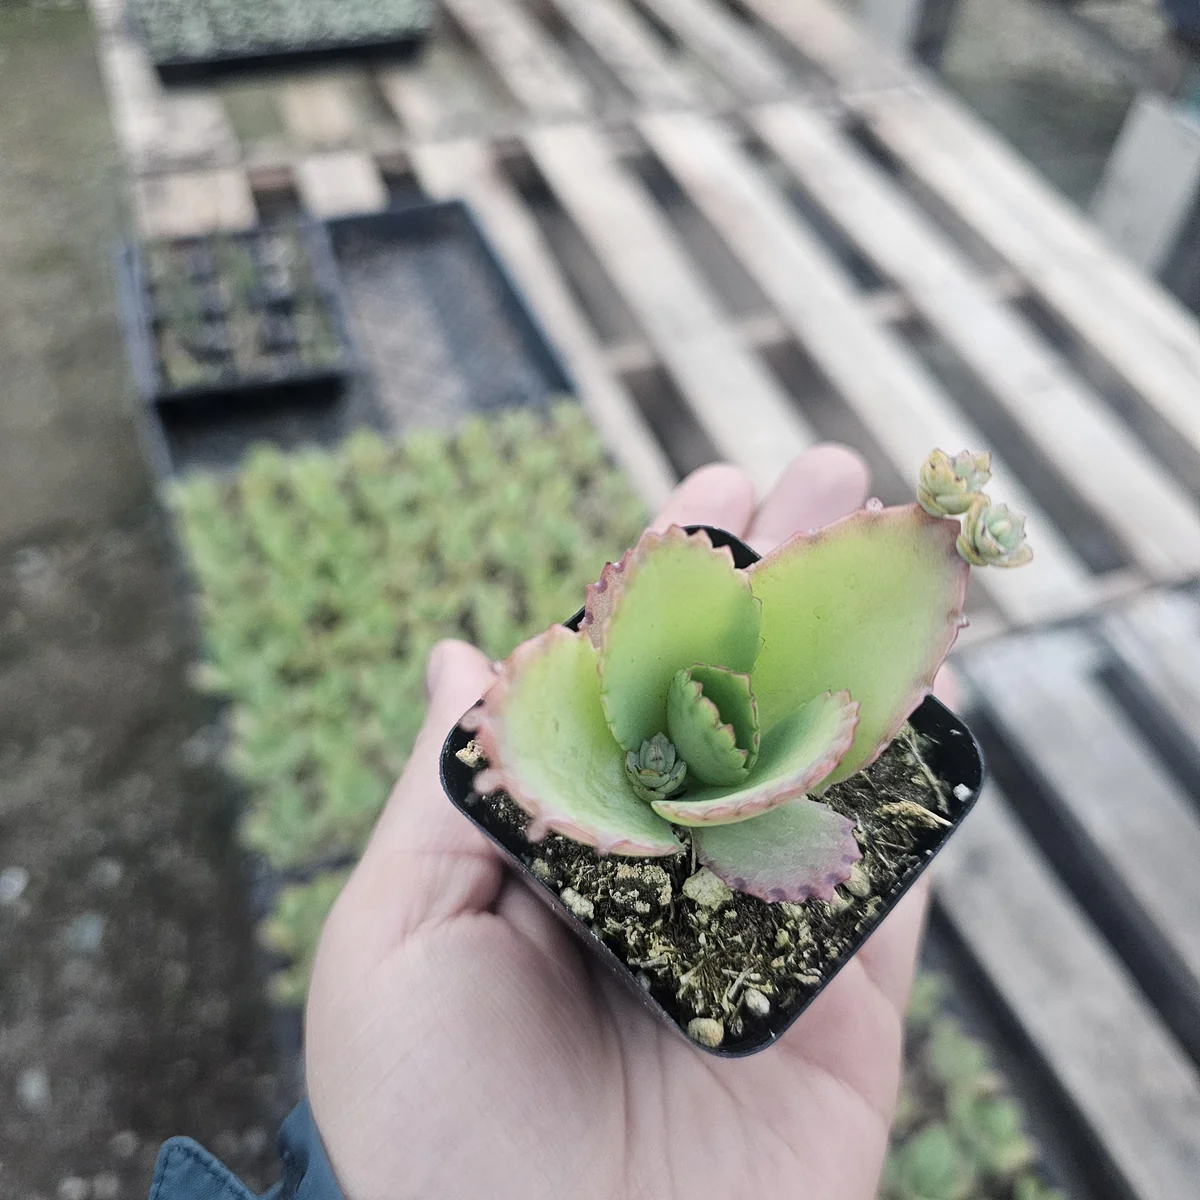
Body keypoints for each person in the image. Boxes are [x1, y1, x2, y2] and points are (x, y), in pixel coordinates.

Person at [150, 445, 942, 1200]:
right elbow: (560, 697)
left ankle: (939, 542)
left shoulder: (791, 769)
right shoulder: (619, 707)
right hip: (622, 796)